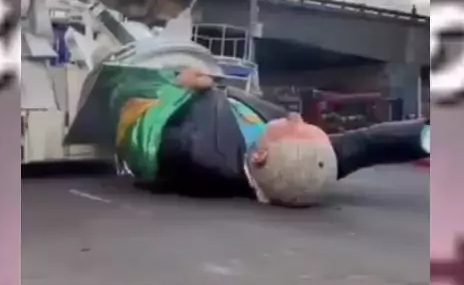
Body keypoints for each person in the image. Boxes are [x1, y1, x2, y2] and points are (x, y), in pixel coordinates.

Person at [69, 65, 430, 205]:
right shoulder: (305, 157)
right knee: (363, 142)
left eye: (294, 126)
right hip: (208, 90)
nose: (294, 116)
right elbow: (367, 143)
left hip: (166, 88)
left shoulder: (198, 153)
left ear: (260, 156)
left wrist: (177, 85)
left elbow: (141, 134)